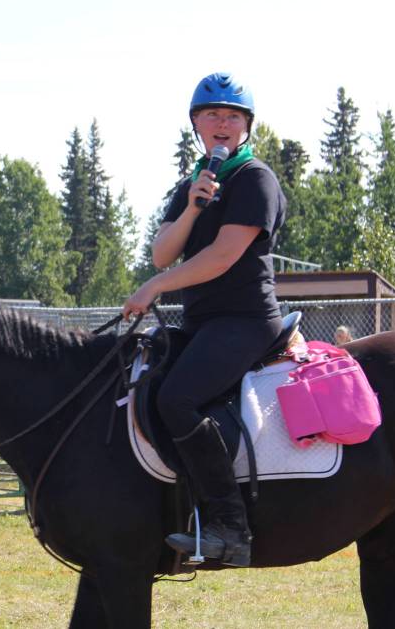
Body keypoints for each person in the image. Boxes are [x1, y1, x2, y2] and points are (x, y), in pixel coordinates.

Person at [121, 73, 286, 567]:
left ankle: (230, 526)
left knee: (178, 397)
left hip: (247, 321)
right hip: (203, 323)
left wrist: (154, 289)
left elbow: (222, 256)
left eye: (232, 116)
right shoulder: (195, 184)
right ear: (196, 124)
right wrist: (193, 208)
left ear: (246, 127)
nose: (222, 123)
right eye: (212, 114)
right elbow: (161, 252)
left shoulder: (255, 178)